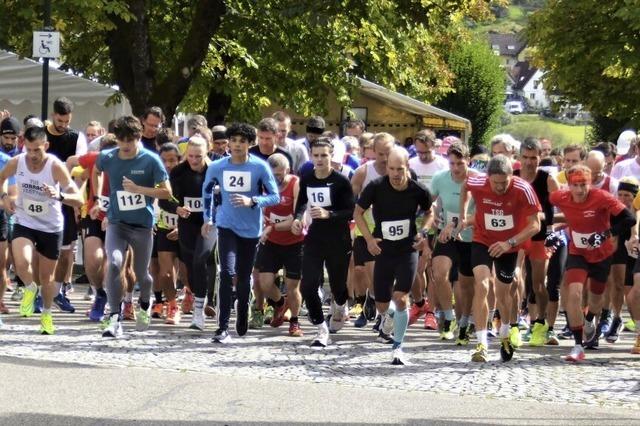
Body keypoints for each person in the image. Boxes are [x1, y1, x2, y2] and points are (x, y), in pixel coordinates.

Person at [0, 125, 83, 334]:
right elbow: (0, 179)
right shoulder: (16, 162)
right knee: (21, 261)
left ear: (45, 145)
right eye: (29, 149)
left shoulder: (55, 166)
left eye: (37, 150)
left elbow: (78, 199)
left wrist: (59, 196)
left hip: (51, 226)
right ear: (23, 146)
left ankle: (46, 314)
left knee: (47, 278)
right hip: (24, 220)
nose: (33, 155)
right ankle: (29, 286)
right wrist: (4, 198)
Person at [94, 115, 172, 338]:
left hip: (142, 226)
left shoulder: (151, 160)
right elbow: (96, 170)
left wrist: (140, 190)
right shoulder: (107, 156)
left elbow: (167, 192)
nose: (126, 145)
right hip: (117, 223)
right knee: (115, 264)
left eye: (131, 140)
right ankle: (114, 318)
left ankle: (145, 303)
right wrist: (98, 198)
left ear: (138, 138)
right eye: (122, 140)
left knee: (141, 273)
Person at [202, 122, 279, 343]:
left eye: (242, 141)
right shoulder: (217, 167)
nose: (237, 145)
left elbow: (274, 197)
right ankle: (222, 327)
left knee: (244, 278)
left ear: (249, 144)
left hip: (251, 230)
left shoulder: (260, 167)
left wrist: (252, 200)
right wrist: (208, 218)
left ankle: (243, 308)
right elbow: (206, 193)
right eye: (233, 140)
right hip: (225, 225)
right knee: (225, 273)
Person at [355, 146, 432, 365]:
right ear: (386, 168)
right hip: (384, 250)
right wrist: (369, 239)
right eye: (391, 169)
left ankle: (398, 347)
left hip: (407, 250)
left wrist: (423, 232)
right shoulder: (376, 187)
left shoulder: (418, 190)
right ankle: (389, 317)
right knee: (382, 305)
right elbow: (357, 213)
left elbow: (430, 212)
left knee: (400, 298)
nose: (396, 175)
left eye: (400, 169)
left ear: (407, 167)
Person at [460, 154, 541, 362]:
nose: (500, 187)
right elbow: (464, 188)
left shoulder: (523, 189)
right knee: (483, 285)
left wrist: (509, 243)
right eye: (495, 183)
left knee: (503, 293)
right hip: (482, 239)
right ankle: (481, 343)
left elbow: (535, 225)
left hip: (509, 245)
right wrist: (462, 216)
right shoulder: (477, 181)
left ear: (510, 177)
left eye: (504, 182)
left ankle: (505, 333)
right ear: (488, 178)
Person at [550, 165, 635, 361]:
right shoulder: (560, 197)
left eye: (583, 185)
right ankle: (578, 346)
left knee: (596, 299)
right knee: (574, 291)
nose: (579, 190)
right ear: (568, 185)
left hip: (602, 254)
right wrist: (550, 231)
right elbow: (544, 207)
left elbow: (628, 219)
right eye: (575, 185)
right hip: (577, 252)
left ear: (590, 184)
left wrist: (605, 234)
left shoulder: (602, 197)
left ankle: (590, 320)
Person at [292, 137, 355, 347]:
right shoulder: (307, 177)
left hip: (338, 239)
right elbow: (301, 202)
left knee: (338, 287)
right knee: (308, 285)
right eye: (316, 155)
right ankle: (321, 329)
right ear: (311, 156)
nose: (319, 159)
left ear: (331, 156)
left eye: (324, 155)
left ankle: (340, 304)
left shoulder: (341, 181)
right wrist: (297, 219)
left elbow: (350, 212)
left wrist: (329, 214)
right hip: (315, 238)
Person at [164, 137, 217, 329]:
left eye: (199, 156)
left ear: (207, 152)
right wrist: (177, 208)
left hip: (209, 224)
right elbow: (165, 199)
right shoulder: (178, 172)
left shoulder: (215, 170)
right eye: (191, 156)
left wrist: (211, 216)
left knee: (200, 259)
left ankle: (199, 312)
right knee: (191, 270)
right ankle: (199, 296)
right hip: (187, 225)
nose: (194, 161)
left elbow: (223, 198)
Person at [68, 134, 118, 321]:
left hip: (121, 217)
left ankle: (122, 302)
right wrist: (70, 191)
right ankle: (99, 294)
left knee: (118, 264)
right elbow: (71, 161)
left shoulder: (128, 162)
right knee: (93, 259)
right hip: (95, 214)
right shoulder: (94, 158)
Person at [45, 97, 88, 313]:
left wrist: (76, 201)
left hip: (64, 200)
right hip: (41, 198)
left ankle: (58, 291)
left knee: (66, 251)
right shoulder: (42, 134)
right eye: (60, 121)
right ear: (53, 115)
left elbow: (80, 172)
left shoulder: (76, 137)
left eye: (67, 121)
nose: (63, 125)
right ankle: (38, 291)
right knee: (40, 250)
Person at [431, 141, 477, 344]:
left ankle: (465, 321)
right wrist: (432, 213)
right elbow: (429, 202)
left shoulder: (478, 181)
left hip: (472, 238)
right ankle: (448, 318)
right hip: (446, 234)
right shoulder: (440, 179)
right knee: (439, 273)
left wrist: (458, 223)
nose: (456, 168)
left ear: (468, 161)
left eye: (460, 163)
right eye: (452, 164)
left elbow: (482, 212)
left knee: (466, 285)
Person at [515, 138, 560, 347]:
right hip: (517, 236)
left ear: (539, 158)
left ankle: (541, 322)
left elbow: (563, 205)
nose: (529, 162)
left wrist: (546, 220)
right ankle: (514, 322)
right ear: (518, 157)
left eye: (533, 158)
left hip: (540, 237)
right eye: (525, 157)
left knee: (538, 283)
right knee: (514, 279)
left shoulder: (547, 179)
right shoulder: (512, 177)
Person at [256, 154, 304, 336]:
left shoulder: (295, 184)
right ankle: (280, 304)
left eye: (279, 174)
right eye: (272, 174)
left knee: (292, 286)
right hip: (272, 242)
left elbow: (295, 217)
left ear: (287, 170)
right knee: (264, 282)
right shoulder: (263, 184)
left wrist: (272, 227)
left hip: (294, 242)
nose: (275, 178)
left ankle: (295, 321)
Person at [350, 133, 395, 328]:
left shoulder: (399, 171)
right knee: (369, 273)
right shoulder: (363, 172)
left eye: (388, 153)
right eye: (380, 153)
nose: (385, 158)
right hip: (365, 231)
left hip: (391, 232)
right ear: (372, 152)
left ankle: (380, 311)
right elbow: (350, 201)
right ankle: (373, 306)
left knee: (385, 277)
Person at [407, 129, 449, 329]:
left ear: (434, 147)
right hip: (414, 221)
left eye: (426, 152)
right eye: (419, 152)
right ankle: (418, 303)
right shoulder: (411, 163)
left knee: (431, 267)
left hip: (436, 220)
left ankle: (431, 311)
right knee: (415, 267)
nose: (422, 156)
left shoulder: (442, 165)